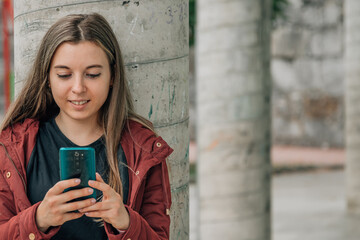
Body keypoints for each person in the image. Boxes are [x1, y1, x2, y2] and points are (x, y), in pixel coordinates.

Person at [0, 13, 173, 240]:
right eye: (64, 75)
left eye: (92, 74)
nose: (78, 87)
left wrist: (125, 222)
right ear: (48, 77)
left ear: (112, 76)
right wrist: (38, 220)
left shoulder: (144, 149)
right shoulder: (13, 146)